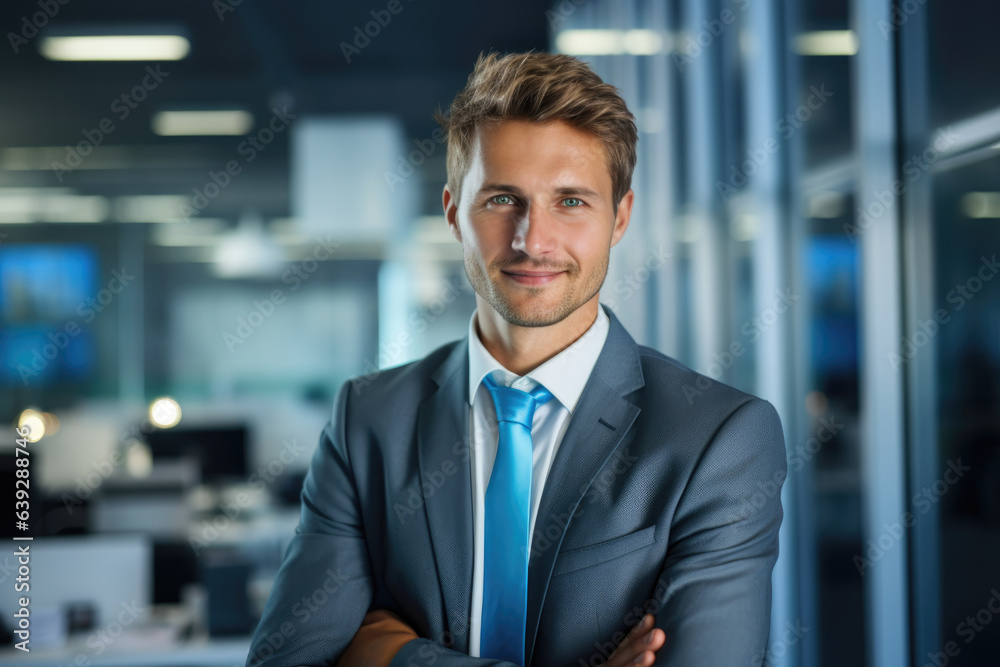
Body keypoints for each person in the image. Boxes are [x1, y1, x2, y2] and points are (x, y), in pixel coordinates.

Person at [246, 50, 787, 667]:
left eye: (572, 202)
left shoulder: (717, 438)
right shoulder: (368, 419)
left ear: (620, 218)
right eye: (503, 199)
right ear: (454, 213)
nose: (534, 240)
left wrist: (387, 653)